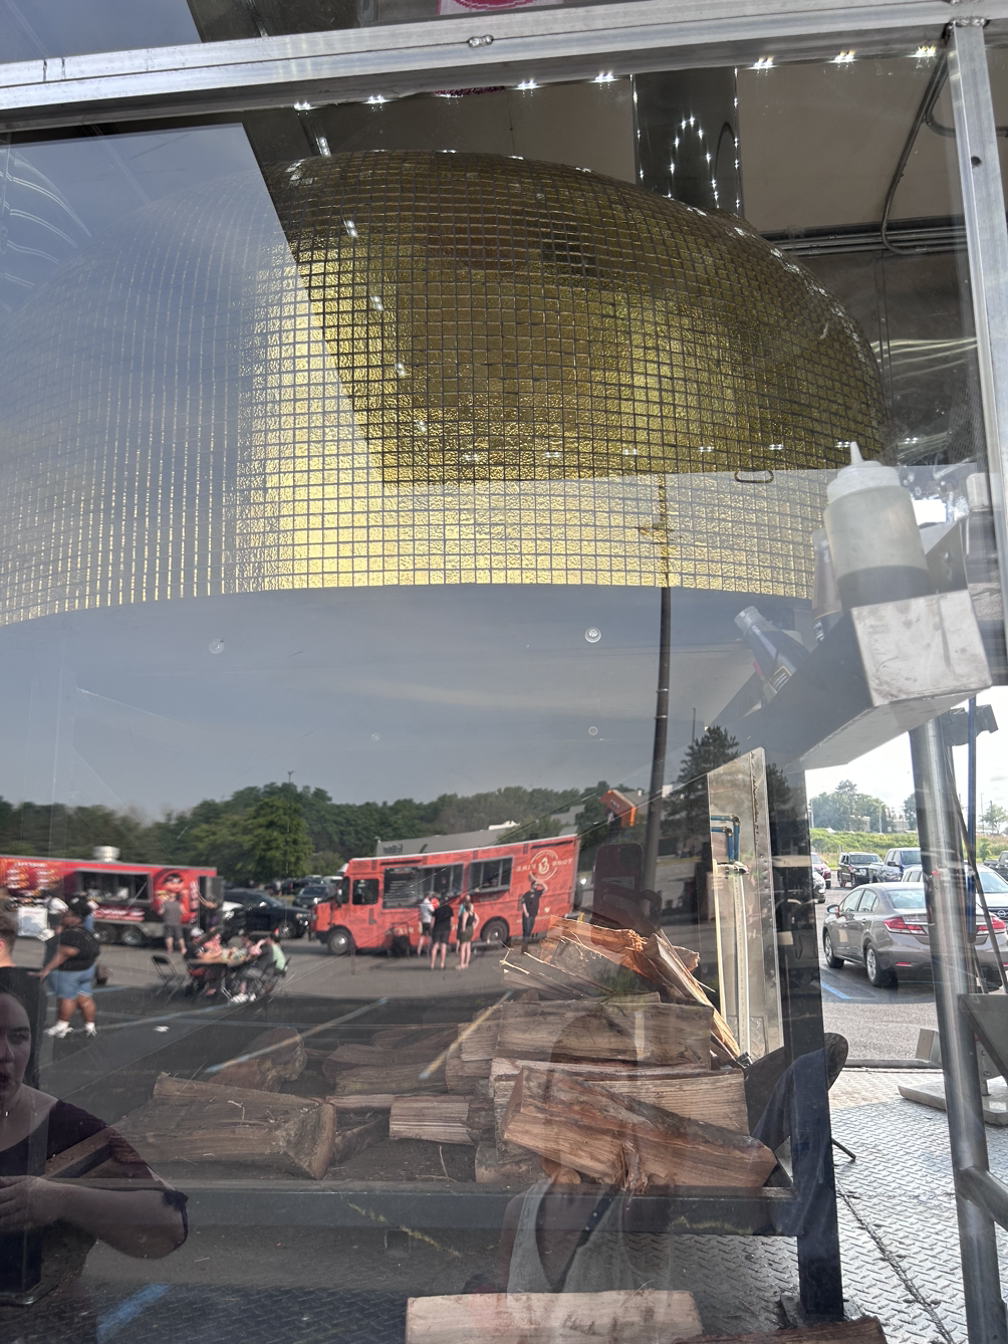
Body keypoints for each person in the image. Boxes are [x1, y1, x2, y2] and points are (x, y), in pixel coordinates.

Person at [0, 988, 186, 1331]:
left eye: (19, 1037)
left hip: (43, 1328)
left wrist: (60, 1199)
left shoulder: (64, 1127)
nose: (5, 1054)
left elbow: (170, 1222)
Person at [35, 901, 100, 1040]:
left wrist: (46, 970)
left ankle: (61, 1026)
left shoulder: (71, 935)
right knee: (85, 999)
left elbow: (65, 952)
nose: (63, 916)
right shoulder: (85, 931)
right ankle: (90, 1027)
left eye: (67, 915)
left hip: (68, 972)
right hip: (86, 970)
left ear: (76, 918)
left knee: (66, 998)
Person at [521, 878, 545, 954]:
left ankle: (525, 948)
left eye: (537, 885)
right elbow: (523, 903)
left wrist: (540, 883)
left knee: (529, 932)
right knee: (527, 931)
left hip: (533, 915)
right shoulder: (527, 894)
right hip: (527, 916)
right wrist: (526, 913)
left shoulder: (537, 893)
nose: (536, 886)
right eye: (535, 885)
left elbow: (546, 889)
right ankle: (524, 949)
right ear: (531, 885)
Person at [429, 897, 453, 970]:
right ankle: (442, 964)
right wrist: (450, 928)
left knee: (435, 946)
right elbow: (451, 921)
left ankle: (432, 964)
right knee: (443, 946)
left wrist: (431, 929)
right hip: (446, 929)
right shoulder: (450, 909)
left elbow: (432, 921)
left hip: (437, 929)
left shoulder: (436, 910)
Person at [456, 896, 479, 970]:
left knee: (462, 948)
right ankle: (466, 963)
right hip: (470, 929)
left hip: (466, 929)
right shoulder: (473, 913)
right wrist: (474, 926)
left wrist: (463, 929)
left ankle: (461, 964)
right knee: (468, 947)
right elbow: (477, 920)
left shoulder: (465, 914)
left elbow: (463, 922)